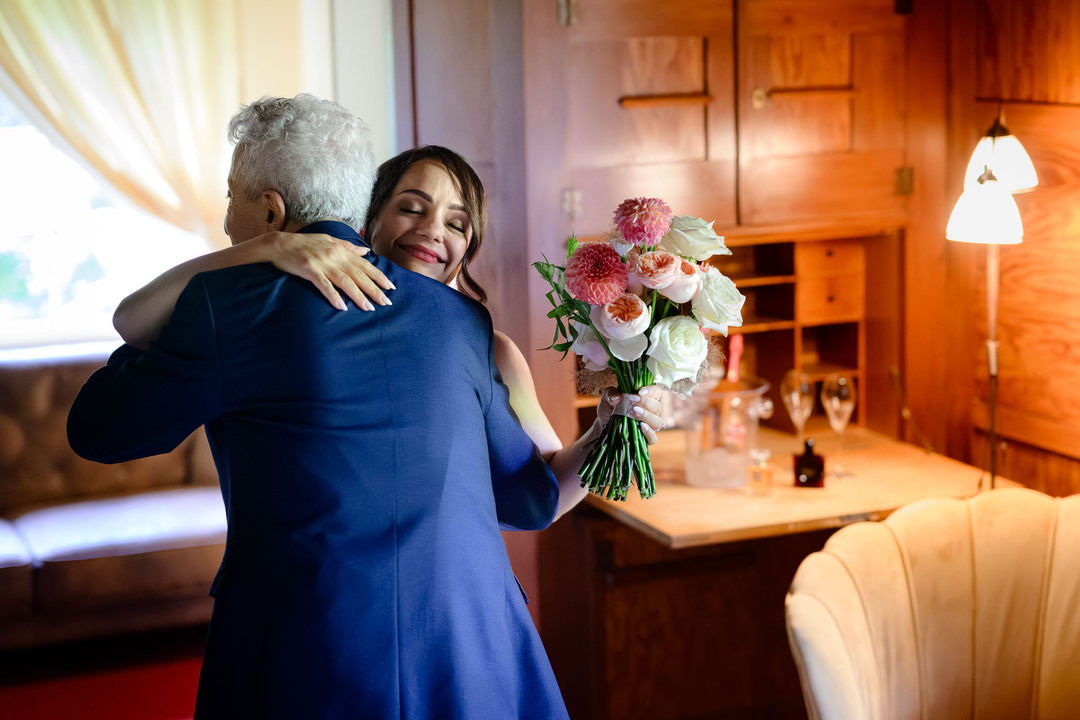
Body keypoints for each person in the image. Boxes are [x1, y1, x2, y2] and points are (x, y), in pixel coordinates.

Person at [68, 95, 572, 719]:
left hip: (308, 653)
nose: (226, 218)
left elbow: (99, 430)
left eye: (230, 198)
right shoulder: (464, 322)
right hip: (469, 652)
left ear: (270, 210)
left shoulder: (230, 307)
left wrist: (235, 268)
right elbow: (531, 500)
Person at [113, 144, 665, 521]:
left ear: (468, 248)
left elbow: (537, 494)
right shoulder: (290, 315)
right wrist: (267, 248)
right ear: (368, 221)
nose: (431, 231)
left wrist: (608, 430)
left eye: (456, 222)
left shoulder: (491, 348)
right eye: (411, 208)